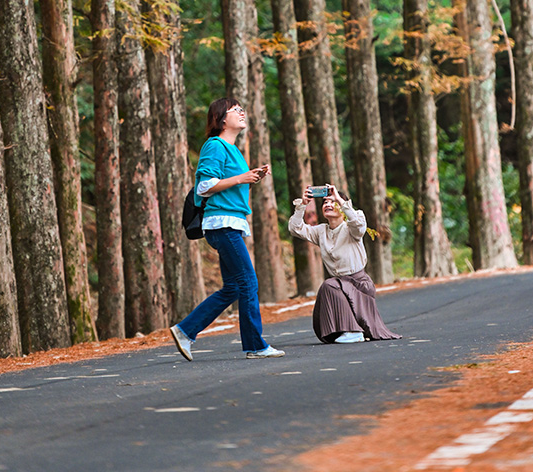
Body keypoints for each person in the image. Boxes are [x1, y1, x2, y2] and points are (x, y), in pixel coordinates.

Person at [170, 97, 285, 361]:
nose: (242, 112)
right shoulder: (215, 145)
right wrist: (241, 177)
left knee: (234, 286)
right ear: (222, 119)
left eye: (243, 109)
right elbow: (203, 186)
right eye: (236, 110)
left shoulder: (233, 150)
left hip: (230, 222)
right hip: (221, 224)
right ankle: (255, 346)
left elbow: (228, 186)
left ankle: (186, 331)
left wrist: (251, 177)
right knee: (248, 282)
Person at [289, 185, 401, 344]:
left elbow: (359, 225)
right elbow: (295, 229)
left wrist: (340, 199)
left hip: (359, 284)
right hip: (339, 283)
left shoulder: (352, 228)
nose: (328, 205)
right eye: (325, 202)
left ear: (342, 207)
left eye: (332, 202)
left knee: (330, 285)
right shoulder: (321, 231)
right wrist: (303, 205)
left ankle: (353, 331)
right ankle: (342, 330)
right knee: (331, 285)